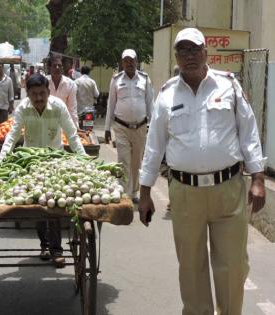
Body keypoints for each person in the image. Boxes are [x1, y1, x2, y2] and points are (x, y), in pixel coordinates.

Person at [138, 28, 266, 315]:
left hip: (228, 190)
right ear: (176, 57)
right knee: (191, 267)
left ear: (206, 53)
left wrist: (258, 178)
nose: (190, 56)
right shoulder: (166, 95)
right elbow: (153, 146)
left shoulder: (228, 85)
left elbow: (248, 133)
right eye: (183, 51)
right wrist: (144, 192)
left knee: (233, 265)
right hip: (184, 194)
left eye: (195, 50)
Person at [0, 74, 86, 268]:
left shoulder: (58, 107)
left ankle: (56, 249)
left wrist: (85, 160)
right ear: (28, 94)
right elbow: (12, 137)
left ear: (48, 92)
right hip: (32, 162)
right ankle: (44, 245)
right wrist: (1, 161)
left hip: (55, 161)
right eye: (34, 94)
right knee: (38, 204)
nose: (39, 98)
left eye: (42, 93)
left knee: (54, 203)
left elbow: (72, 136)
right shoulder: (23, 109)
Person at [104, 49, 154, 203]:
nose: (129, 63)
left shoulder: (145, 79)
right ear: (122, 63)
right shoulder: (116, 80)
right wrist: (106, 128)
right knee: (123, 160)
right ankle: (125, 193)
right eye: (126, 61)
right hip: (121, 127)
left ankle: (134, 192)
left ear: (136, 61)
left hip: (140, 127)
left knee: (137, 162)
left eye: (131, 60)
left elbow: (150, 104)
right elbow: (111, 105)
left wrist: (152, 126)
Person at [46, 55, 79, 128]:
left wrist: (76, 128)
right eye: (54, 66)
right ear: (49, 68)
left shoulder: (71, 84)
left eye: (59, 66)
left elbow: (72, 109)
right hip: (45, 124)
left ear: (62, 68)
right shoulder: (43, 83)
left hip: (63, 125)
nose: (57, 68)